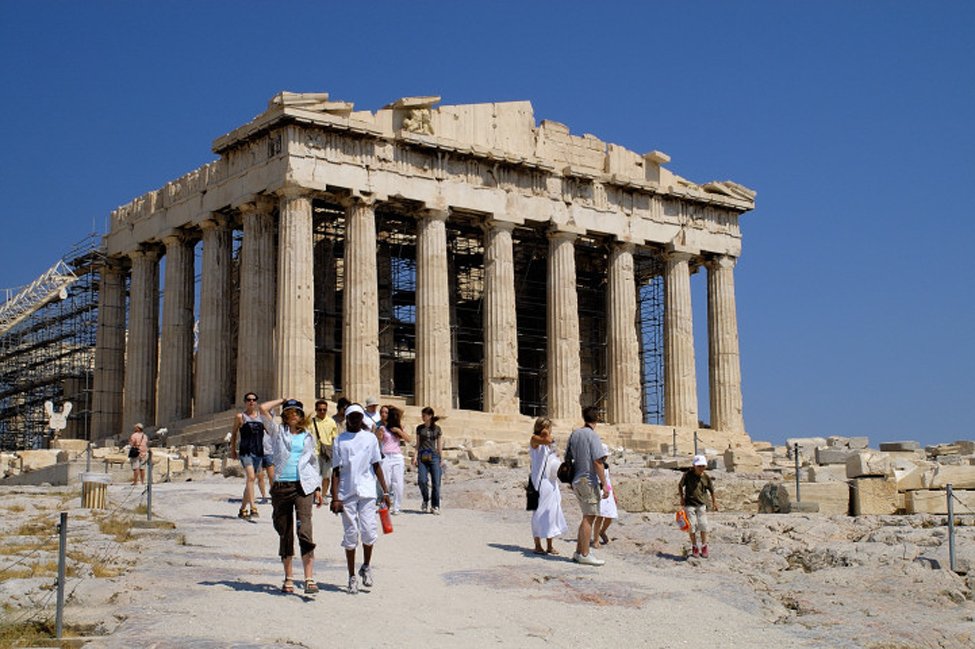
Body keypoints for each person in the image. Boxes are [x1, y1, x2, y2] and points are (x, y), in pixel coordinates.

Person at [259, 398, 323, 594]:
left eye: (296, 412)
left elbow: (313, 462)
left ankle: (309, 578)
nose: (292, 414)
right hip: (281, 485)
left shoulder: (308, 436)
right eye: (289, 412)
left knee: (305, 529)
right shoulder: (278, 432)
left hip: (303, 486)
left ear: (301, 416)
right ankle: (288, 577)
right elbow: (262, 409)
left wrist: (318, 487)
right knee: (285, 532)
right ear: (285, 415)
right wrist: (282, 400)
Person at [330, 403, 391, 595]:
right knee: (350, 535)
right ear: (347, 419)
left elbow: (377, 465)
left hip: (366, 490)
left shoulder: (370, 439)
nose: (355, 420)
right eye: (352, 417)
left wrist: (386, 491)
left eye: (358, 417)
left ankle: (365, 566)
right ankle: (351, 577)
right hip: (346, 491)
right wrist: (335, 497)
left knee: (369, 531)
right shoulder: (339, 440)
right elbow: (336, 471)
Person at [566, 406, 609, 566]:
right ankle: (585, 553)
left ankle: (579, 552)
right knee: (589, 517)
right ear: (597, 418)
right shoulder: (592, 436)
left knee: (586, 516)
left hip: (576, 479)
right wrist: (605, 484)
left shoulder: (574, 434)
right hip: (588, 480)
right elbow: (598, 461)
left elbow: (567, 458)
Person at [529, 417, 567, 554]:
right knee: (538, 512)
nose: (549, 431)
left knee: (551, 511)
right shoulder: (534, 439)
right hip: (538, 481)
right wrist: (546, 432)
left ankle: (550, 545)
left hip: (550, 480)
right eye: (547, 427)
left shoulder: (548, 441)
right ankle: (537, 544)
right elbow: (546, 440)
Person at [230, 392, 266, 519]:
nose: (251, 402)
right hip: (246, 451)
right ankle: (253, 507)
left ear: (256, 402)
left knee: (251, 480)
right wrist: (233, 450)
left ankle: (242, 509)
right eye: (249, 400)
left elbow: (271, 432)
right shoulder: (240, 417)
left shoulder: (262, 417)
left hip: (258, 451)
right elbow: (234, 433)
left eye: (254, 399)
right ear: (245, 402)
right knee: (251, 477)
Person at [679, 454, 718, 558]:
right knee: (691, 526)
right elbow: (680, 485)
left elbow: (712, 490)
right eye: (699, 466)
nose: (701, 468)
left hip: (701, 504)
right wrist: (682, 498)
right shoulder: (687, 475)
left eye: (703, 466)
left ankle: (704, 546)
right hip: (689, 504)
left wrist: (714, 503)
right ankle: (695, 546)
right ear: (694, 466)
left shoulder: (705, 477)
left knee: (703, 525)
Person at [378, 405, 411, 515]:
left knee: (398, 482)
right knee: (385, 482)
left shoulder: (396, 427)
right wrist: (378, 433)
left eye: (386, 413)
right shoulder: (381, 427)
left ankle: (396, 507)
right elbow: (378, 440)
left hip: (397, 456)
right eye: (382, 412)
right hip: (386, 456)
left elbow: (408, 439)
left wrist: (398, 430)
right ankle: (385, 504)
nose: (384, 414)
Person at [412, 406, 444, 514]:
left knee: (436, 482)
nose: (422, 417)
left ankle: (435, 506)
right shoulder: (419, 428)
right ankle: (425, 499)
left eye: (424, 415)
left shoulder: (437, 429)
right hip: (422, 456)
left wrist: (441, 458)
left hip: (434, 456)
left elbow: (439, 445)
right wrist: (414, 456)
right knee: (422, 480)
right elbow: (417, 444)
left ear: (430, 416)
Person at [592, 443, 618, 549]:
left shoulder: (606, 465)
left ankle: (602, 532)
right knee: (600, 516)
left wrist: (613, 494)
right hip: (599, 491)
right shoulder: (594, 465)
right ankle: (596, 539)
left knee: (610, 516)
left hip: (608, 491)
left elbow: (608, 480)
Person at [310, 399, 338, 481]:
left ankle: (324, 493)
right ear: (316, 410)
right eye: (320, 409)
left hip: (327, 453)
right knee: (314, 476)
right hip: (315, 453)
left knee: (326, 477)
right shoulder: (310, 422)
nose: (322, 411)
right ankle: (316, 493)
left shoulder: (331, 422)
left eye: (324, 409)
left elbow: (334, 438)